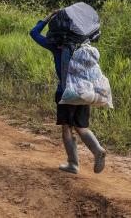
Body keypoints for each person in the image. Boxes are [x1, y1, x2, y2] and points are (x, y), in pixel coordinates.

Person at [30, 10, 106, 175]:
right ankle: (97, 149)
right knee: (82, 126)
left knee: (67, 127)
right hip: (86, 92)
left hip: (66, 93)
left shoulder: (56, 47)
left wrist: (48, 16)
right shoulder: (83, 46)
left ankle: (74, 163)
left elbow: (33, 33)